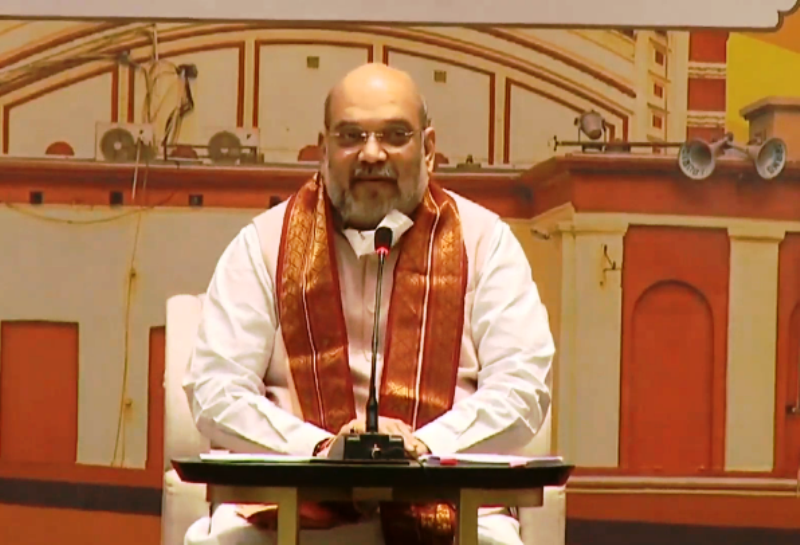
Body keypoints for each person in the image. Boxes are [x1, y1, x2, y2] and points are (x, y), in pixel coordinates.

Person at [182, 62, 555, 545]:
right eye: (351, 136)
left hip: (451, 501)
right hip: (289, 499)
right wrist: (320, 450)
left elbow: (523, 389)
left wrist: (420, 449)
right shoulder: (264, 244)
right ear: (323, 149)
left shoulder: (484, 242)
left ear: (428, 148)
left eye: (396, 135)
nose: (372, 154)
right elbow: (215, 389)